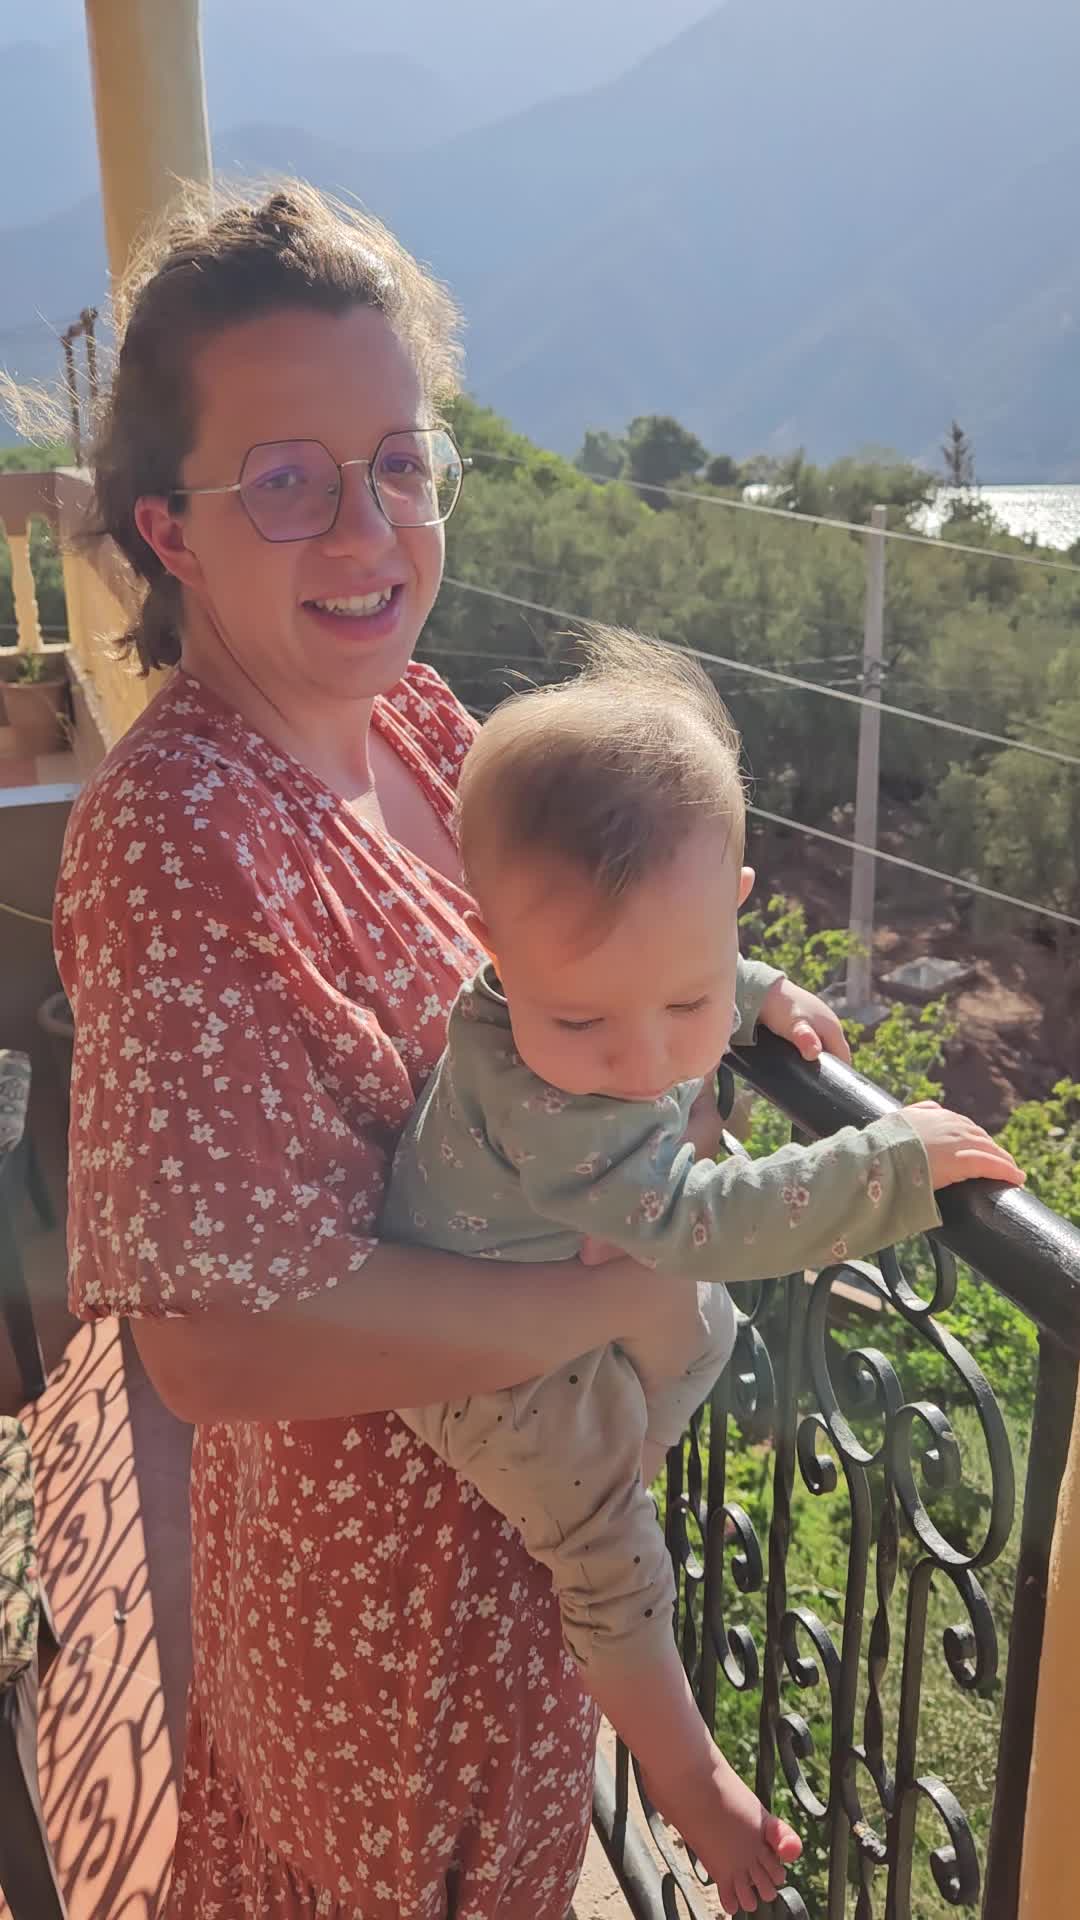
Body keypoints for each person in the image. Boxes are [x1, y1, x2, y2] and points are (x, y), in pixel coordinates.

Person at [50, 182, 874, 1919]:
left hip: (517, 1577)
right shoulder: (178, 834)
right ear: (171, 530)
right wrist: (627, 1290)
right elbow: (213, 1341)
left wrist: (723, 991)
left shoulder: (415, 720)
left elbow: (572, 944)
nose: (370, 529)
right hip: (384, 1631)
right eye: (290, 479)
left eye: (400, 464)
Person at [381, 626, 1024, 1914]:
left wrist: (755, 992)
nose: (642, 1058)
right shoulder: (550, 1103)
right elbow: (707, 1216)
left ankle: (637, 1443)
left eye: (684, 1004)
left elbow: (663, 956)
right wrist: (888, 1166)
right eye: (580, 1018)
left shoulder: (614, 972)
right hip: (488, 1373)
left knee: (703, 1336)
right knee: (613, 1563)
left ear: (729, 904)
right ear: (487, 937)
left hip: (556, 1287)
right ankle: (695, 1785)